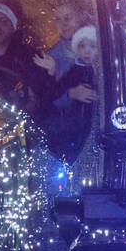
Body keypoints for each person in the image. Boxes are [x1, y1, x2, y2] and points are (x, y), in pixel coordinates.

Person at [43, 25, 100, 163]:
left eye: (92, 46)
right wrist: (70, 94)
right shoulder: (75, 71)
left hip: (98, 122)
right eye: (82, 46)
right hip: (76, 124)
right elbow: (56, 94)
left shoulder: (105, 71)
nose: (87, 51)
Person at [45, 0, 92, 82]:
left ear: (80, 18)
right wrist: (69, 93)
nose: (63, 24)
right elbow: (47, 92)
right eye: (58, 20)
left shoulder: (98, 45)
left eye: (67, 18)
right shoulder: (51, 57)